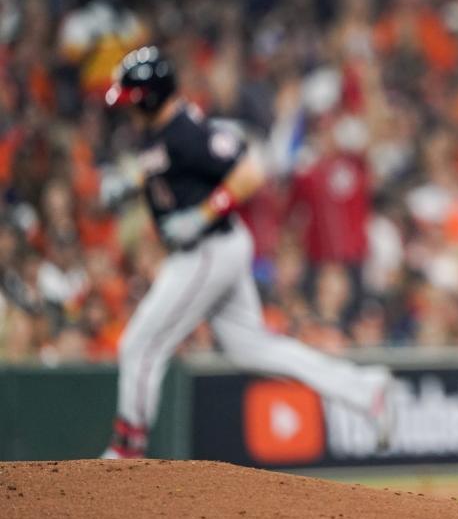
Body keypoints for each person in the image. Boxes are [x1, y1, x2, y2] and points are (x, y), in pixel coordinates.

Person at [99, 47, 393, 459]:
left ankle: (127, 447)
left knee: (141, 344)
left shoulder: (187, 129)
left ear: (149, 96)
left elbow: (250, 172)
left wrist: (202, 214)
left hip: (207, 248)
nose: (127, 110)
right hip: (212, 248)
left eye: (132, 100)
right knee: (251, 348)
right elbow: (165, 167)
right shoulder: (162, 133)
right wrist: (131, 180)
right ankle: (363, 390)